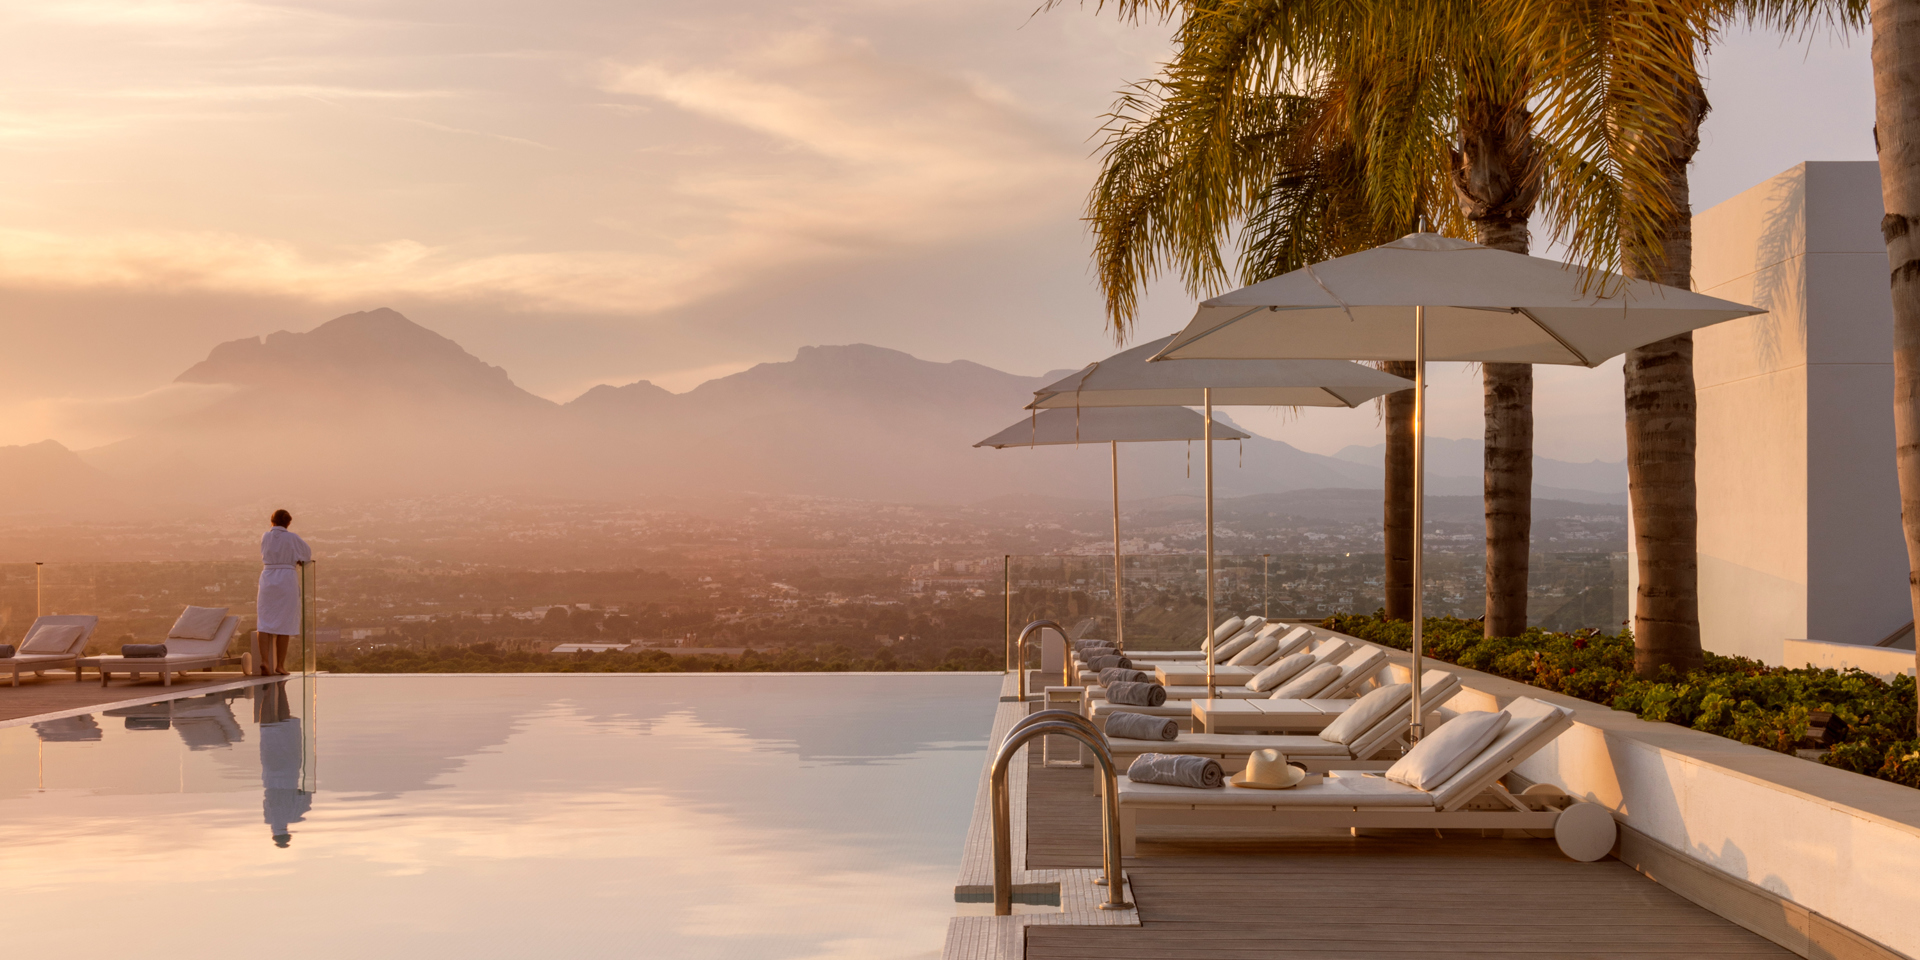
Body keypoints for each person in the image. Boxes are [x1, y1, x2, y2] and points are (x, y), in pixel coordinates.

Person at [256, 509, 312, 677]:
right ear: (288, 523)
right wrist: (297, 560)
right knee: (285, 624)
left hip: (268, 578)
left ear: (272, 521)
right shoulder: (292, 538)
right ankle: (280, 665)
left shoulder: (265, 537)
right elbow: (307, 554)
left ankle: (265, 660)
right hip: (287, 579)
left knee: (264, 622)